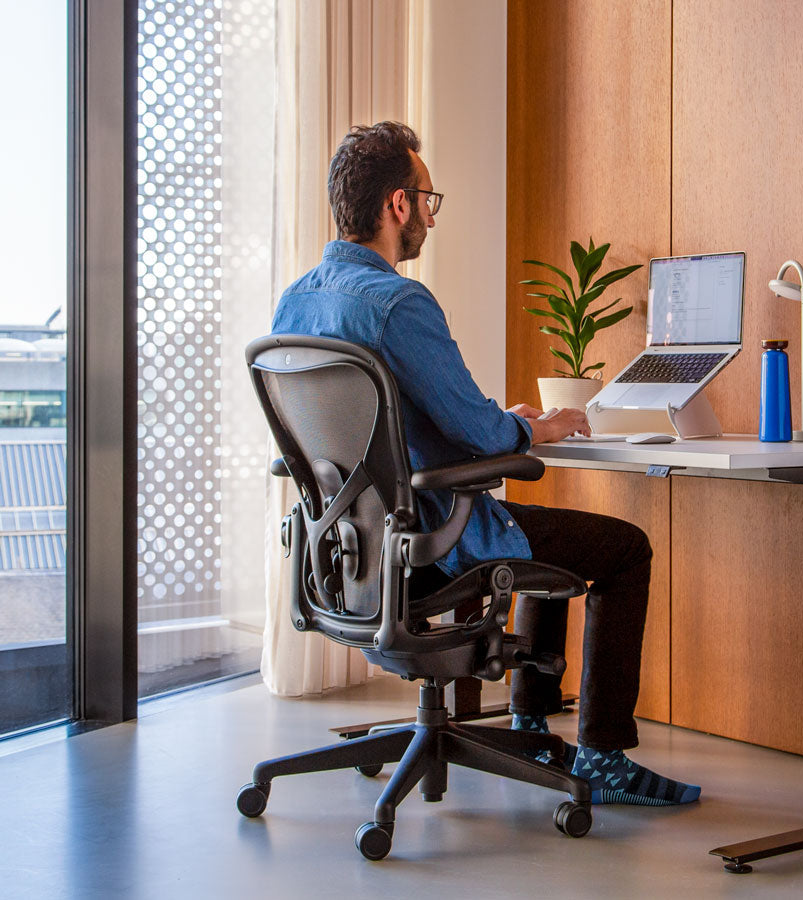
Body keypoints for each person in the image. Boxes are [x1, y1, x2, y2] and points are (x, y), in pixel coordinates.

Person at [271, 121, 699, 807]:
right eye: (427, 199)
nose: (430, 218)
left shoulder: (294, 302)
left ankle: (530, 723)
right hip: (430, 545)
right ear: (399, 205)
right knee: (624, 550)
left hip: (348, 554)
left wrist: (506, 424)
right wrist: (532, 426)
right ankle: (604, 758)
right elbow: (475, 430)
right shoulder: (398, 303)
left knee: (537, 536)